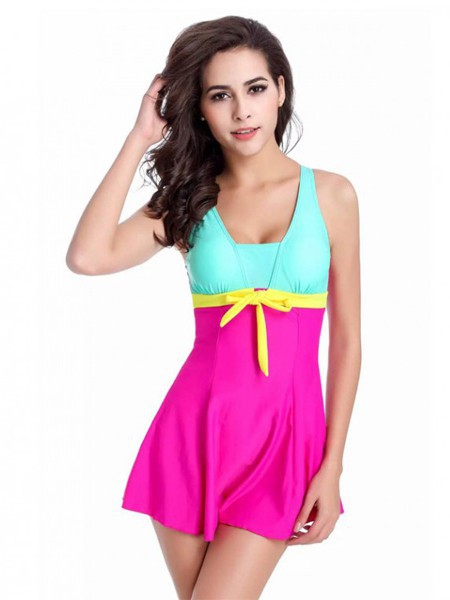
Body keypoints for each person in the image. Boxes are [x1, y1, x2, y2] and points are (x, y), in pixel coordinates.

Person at [66, 15, 362, 600]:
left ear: (280, 89)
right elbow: (88, 256)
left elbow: (348, 341)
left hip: (285, 441)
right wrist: (139, 138)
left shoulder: (333, 195)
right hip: (192, 435)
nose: (242, 111)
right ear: (199, 108)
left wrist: (333, 465)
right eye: (220, 95)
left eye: (255, 88)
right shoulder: (189, 199)